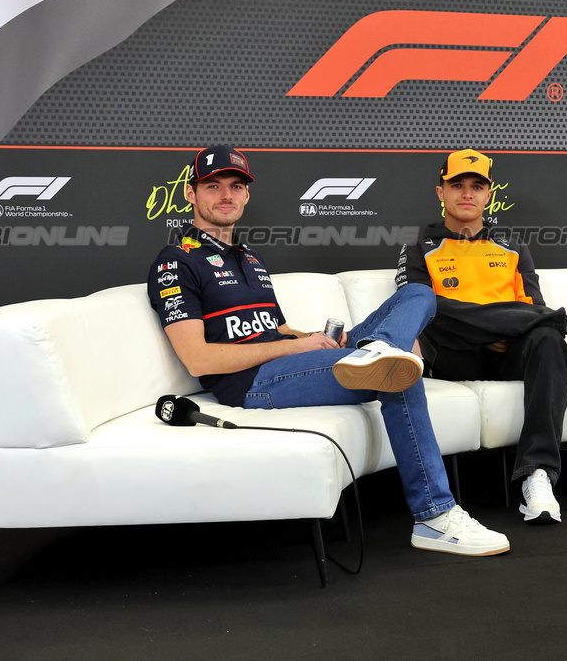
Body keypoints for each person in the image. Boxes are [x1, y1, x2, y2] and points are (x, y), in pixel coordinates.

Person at [148, 144, 510, 556]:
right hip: (252, 385)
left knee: (417, 293)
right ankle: (434, 516)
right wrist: (297, 347)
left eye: (235, 186)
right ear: (191, 194)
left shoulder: (249, 257)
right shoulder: (175, 261)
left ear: (247, 196)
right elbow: (199, 359)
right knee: (398, 372)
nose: (225, 195)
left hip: (291, 360)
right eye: (213, 186)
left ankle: (377, 349)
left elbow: (276, 328)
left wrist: (315, 340)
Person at [397, 149, 567, 524]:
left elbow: (534, 307)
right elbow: (416, 313)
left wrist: (510, 329)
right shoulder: (418, 247)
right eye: (457, 185)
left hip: (507, 354)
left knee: (549, 339)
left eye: (476, 186)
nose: (467, 193)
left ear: (488, 195)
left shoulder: (512, 245)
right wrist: (500, 325)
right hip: (451, 353)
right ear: (441, 192)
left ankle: (538, 476)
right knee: (428, 303)